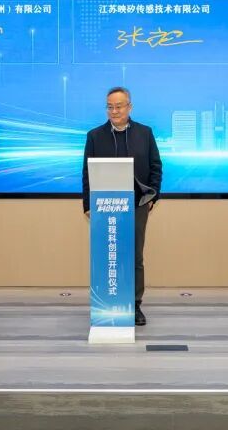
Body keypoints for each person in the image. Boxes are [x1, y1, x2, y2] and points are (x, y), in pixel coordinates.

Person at [82, 86, 162, 327]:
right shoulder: (94, 136)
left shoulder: (145, 133)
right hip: (104, 206)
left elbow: (156, 167)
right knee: (107, 254)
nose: (114, 111)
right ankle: (107, 302)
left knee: (135, 256)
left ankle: (135, 305)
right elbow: (86, 173)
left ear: (130, 107)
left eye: (119, 106)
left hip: (137, 204)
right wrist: (87, 204)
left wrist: (152, 196)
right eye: (110, 107)